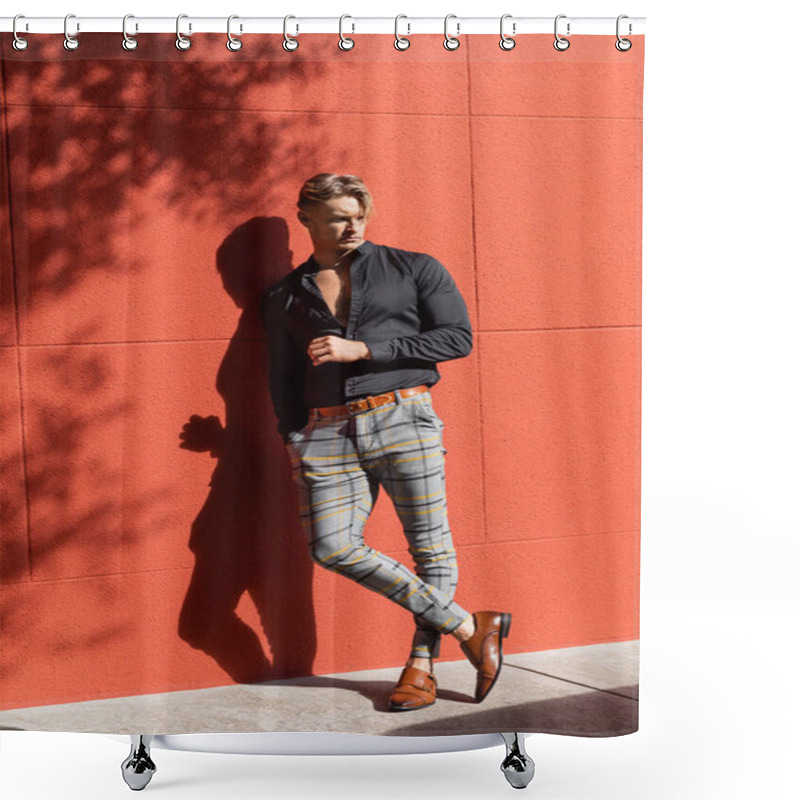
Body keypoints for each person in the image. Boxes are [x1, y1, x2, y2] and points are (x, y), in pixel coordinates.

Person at [260, 173, 511, 711]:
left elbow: (457, 337)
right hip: (325, 432)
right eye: (337, 218)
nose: (352, 226)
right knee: (332, 547)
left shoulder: (414, 267)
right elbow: (281, 374)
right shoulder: (284, 294)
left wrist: (364, 350)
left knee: (430, 548)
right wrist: (293, 434)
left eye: (359, 215)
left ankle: (420, 666)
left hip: (403, 416)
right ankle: (470, 625)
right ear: (306, 219)